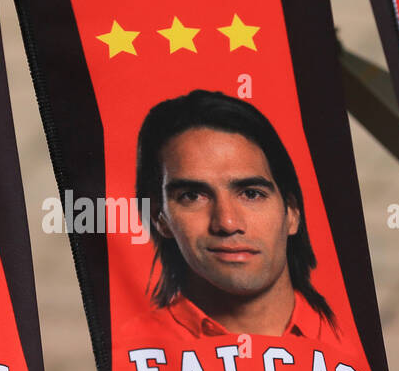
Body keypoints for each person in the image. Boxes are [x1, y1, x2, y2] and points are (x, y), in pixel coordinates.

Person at [131, 89, 336, 339]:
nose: (227, 223)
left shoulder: (356, 341)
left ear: (292, 212)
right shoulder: (127, 353)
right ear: (159, 217)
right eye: (192, 196)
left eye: (251, 194)